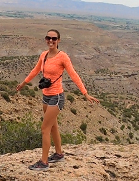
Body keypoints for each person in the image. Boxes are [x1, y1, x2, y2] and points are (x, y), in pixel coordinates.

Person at [16, 29, 99, 170]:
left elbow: (74, 75)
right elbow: (35, 71)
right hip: (46, 96)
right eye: (48, 38)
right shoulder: (44, 55)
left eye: (54, 39)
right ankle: (59, 154)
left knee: (45, 129)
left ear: (58, 40)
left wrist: (85, 93)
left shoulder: (63, 57)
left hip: (57, 97)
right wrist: (24, 83)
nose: (51, 41)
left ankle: (43, 163)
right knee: (53, 126)